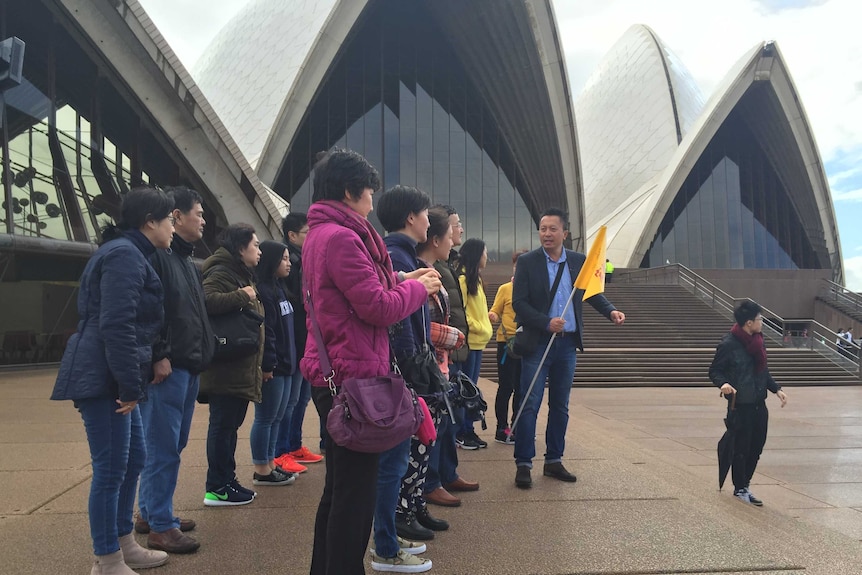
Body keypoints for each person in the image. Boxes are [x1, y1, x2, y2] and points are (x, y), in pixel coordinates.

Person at [301, 149, 440, 575]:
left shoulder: (321, 233)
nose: (371, 203)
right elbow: (377, 307)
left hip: (337, 373)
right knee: (354, 497)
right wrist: (419, 290)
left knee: (339, 491)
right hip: (353, 378)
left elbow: (361, 287)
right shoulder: (343, 237)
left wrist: (404, 279)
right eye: (367, 194)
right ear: (349, 192)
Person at [51, 186, 174, 574]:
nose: (172, 226)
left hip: (113, 374)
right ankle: (107, 559)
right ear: (149, 222)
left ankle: (123, 543)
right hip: (105, 376)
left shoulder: (131, 252)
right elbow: (117, 325)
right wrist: (129, 386)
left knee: (133, 457)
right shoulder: (124, 256)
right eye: (169, 219)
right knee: (110, 469)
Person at [512, 207, 625, 489]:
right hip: (539, 343)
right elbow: (519, 304)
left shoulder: (578, 261)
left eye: (552, 229)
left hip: (567, 347)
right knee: (529, 405)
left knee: (560, 406)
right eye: (542, 229)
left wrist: (610, 311)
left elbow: (591, 292)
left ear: (565, 233)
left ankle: (554, 460)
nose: (546, 234)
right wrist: (546, 322)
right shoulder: (528, 262)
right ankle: (524, 463)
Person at [137, 186, 214, 555]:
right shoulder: (159, 257)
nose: (202, 220)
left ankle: (151, 511)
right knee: (163, 446)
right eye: (197, 213)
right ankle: (161, 525)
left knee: (171, 444)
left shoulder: (183, 259)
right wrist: (158, 354)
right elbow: (151, 312)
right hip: (169, 368)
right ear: (177, 217)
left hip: (187, 365)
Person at [372, 184, 435, 570]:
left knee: (394, 462)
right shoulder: (396, 254)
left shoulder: (399, 254)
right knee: (392, 463)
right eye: (425, 213)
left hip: (398, 372)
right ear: (411, 218)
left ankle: (387, 538)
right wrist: (413, 370)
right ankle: (384, 546)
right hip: (398, 375)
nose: (429, 220)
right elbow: (398, 322)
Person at [200, 224, 265, 506]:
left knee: (228, 428)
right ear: (240, 248)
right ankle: (217, 486)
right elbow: (206, 300)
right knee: (222, 427)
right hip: (225, 368)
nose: (259, 251)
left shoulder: (239, 273)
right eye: (255, 245)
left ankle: (226, 481)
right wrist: (243, 295)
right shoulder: (221, 272)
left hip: (237, 368)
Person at [410, 206, 465, 525]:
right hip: (429, 364)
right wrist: (454, 335)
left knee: (439, 428)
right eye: (449, 233)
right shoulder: (421, 273)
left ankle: (429, 488)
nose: (453, 239)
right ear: (434, 239)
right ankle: (426, 489)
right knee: (425, 434)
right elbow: (417, 324)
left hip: (439, 365)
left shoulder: (435, 269)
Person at [424, 205, 479, 507]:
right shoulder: (428, 267)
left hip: (449, 353)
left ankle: (446, 472)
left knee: (447, 419)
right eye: (454, 227)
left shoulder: (446, 264)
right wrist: (452, 337)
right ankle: (432, 480)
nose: (457, 232)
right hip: (439, 353)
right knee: (437, 421)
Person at [710, 301, 788, 505]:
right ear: (748, 322)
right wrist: (723, 383)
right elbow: (715, 370)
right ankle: (740, 488)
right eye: (760, 319)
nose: (762, 322)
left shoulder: (758, 342)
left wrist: (776, 388)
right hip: (740, 406)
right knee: (741, 449)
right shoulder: (728, 344)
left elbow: (762, 370)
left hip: (758, 406)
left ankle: (745, 484)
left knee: (756, 447)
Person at [272, 212, 322, 475]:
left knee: (301, 398)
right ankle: (282, 450)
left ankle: (293, 445)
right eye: (306, 233)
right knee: (290, 401)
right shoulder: (290, 262)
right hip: (297, 340)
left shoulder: (301, 259)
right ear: (292, 235)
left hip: (303, 339)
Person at [249, 240, 300, 486]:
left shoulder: (280, 289)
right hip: (275, 366)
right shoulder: (264, 291)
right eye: (284, 259)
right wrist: (268, 364)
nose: (289, 263)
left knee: (278, 416)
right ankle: (261, 466)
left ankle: (270, 463)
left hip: (287, 364)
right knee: (266, 417)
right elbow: (267, 332)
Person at [455, 238, 493, 449]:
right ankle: (463, 431)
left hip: (478, 342)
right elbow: (460, 312)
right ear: (477, 255)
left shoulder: (476, 280)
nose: (486, 257)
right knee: (467, 389)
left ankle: (469, 428)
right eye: (485, 252)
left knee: (472, 388)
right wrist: (476, 326)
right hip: (469, 342)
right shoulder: (462, 280)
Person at [488, 250, 527, 445]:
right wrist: (493, 315)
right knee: (506, 387)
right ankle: (501, 428)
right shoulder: (505, 289)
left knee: (522, 388)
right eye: (517, 265)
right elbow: (495, 309)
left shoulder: (531, 289)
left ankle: (517, 425)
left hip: (526, 343)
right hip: (506, 343)